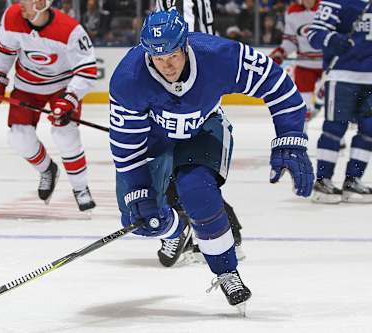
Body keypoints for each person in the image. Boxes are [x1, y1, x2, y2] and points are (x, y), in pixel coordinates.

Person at [109, 9, 313, 310]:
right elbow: (127, 148)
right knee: (140, 219)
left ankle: (227, 271)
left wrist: (291, 138)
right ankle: (175, 230)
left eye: (173, 56)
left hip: (202, 128)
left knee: (197, 191)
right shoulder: (129, 78)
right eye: (157, 57)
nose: (166, 65)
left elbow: (277, 84)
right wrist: (139, 189)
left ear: (186, 45)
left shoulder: (217, 55)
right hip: (153, 139)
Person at [0, 0, 97, 211]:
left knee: (65, 134)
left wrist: (69, 99)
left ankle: (80, 188)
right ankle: (47, 170)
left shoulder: (71, 30)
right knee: (18, 138)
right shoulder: (11, 17)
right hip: (27, 86)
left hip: (62, 87)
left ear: (41, 3)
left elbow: (87, 71)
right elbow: (6, 51)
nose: (19, 4)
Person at [155, 0, 245, 268]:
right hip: (190, 92)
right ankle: (197, 230)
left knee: (185, 169)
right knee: (177, 169)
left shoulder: (183, 4)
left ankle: (217, 233)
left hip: (189, 95)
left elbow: (185, 44)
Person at [307, 0, 372, 204]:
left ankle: (353, 180)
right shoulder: (336, 1)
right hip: (343, 76)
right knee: (334, 129)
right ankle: (323, 181)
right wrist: (334, 39)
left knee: (369, 131)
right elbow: (313, 33)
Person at [269, 0, 323, 122]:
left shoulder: (326, 8)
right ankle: (301, 137)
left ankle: (337, 139)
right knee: (302, 107)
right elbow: (290, 41)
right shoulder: (292, 12)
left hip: (327, 65)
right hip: (305, 65)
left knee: (334, 106)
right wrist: (281, 52)